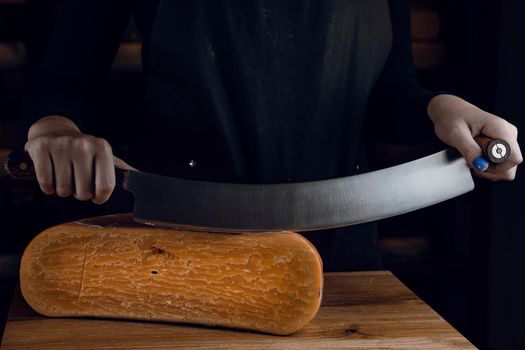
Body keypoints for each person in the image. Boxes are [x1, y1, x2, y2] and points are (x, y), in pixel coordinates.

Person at [21, 0, 522, 271]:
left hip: (345, 259)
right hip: (183, 255)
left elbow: (387, 90)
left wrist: (440, 108)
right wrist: (54, 127)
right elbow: (66, 76)